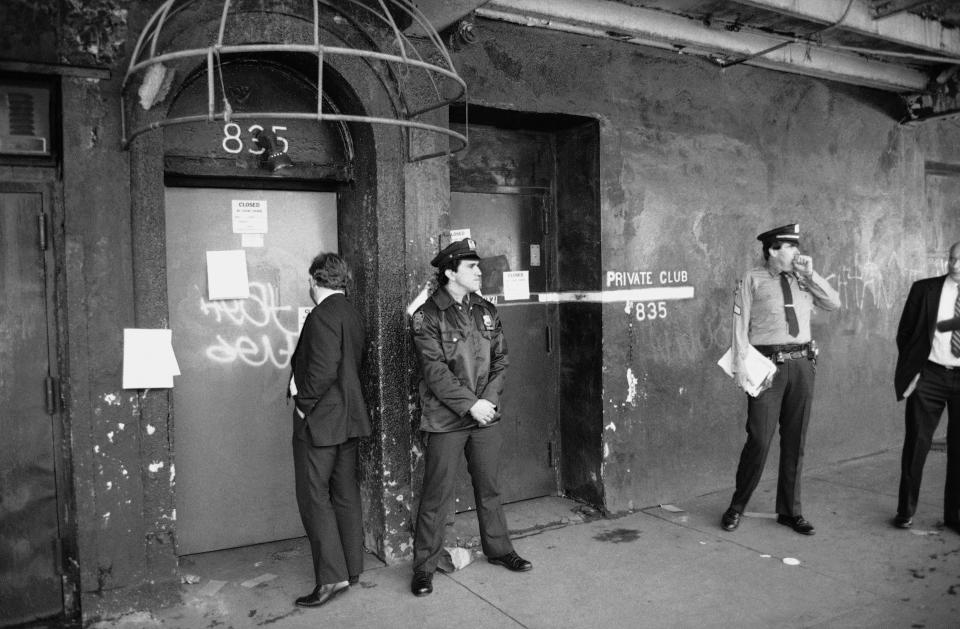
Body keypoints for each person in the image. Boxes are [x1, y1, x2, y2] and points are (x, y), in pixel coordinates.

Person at [409, 237, 532, 597]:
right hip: (447, 420)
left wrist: (488, 403)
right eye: (471, 267)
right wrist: (471, 405)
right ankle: (424, 568)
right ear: (450, 272)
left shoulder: (486, 309)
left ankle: (499, 549)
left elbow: (501, 359)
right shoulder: (427, 315)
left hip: (484, 417)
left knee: (490, 488)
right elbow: (435, 372)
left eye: (478, 266)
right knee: (436, 496)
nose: (479, 272)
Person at [721, 223, 841, 535]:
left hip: (802, 364)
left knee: (795, 439)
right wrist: (739, 367)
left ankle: (790, 511)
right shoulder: (753, 279)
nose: (798, 252)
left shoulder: (804, 279)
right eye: (791, 247)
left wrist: (811, 275)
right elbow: (739, 324)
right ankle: (737, 506)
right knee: (759, 438)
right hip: (766, 365)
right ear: (774, 250)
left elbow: (833, 303)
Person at [289, 253, 370, 607]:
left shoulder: (321, 315)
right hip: (349, 419)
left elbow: (322, 369)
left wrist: (303, 405)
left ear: (314, 280)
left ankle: (331, 579)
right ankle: (351, 568)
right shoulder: (352, 312)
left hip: (321, 421)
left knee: (314, 497)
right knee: (345, 492)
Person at [892, 241, 960, 532]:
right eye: (952, 259)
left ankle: (954, 516)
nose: (955, 266)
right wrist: (915, 370)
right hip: (929, 377)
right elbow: (906, 332)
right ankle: (905, 511)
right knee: (916, 445)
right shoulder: (925, 289)